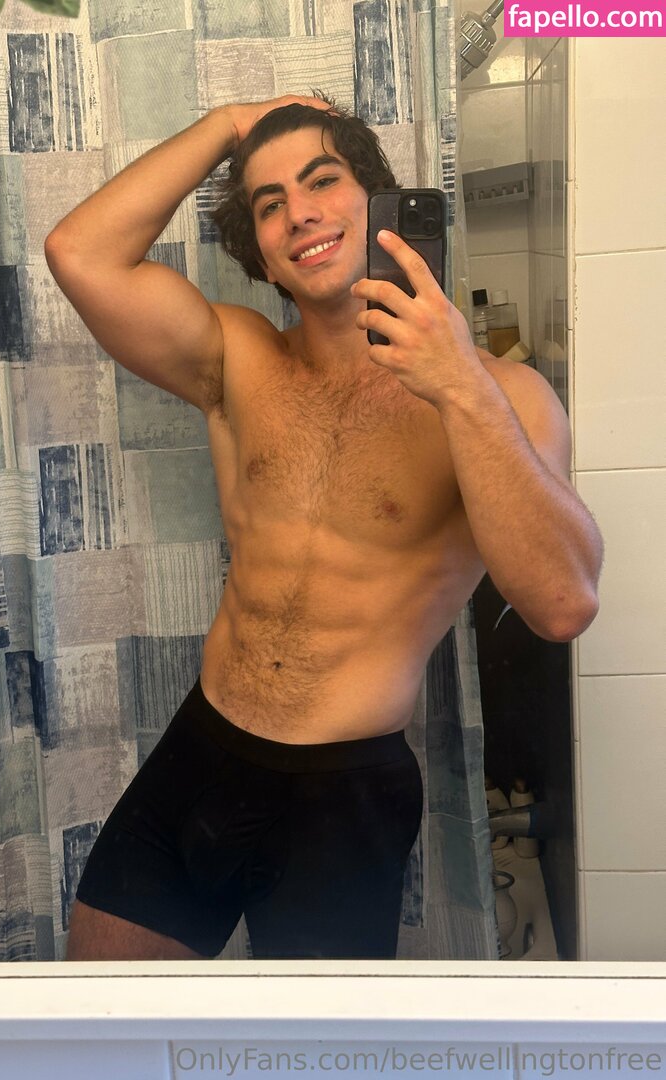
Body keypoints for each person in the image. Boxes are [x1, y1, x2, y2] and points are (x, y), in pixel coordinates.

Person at [44, 92, 603, 961]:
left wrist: (458, 384)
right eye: (270, 203)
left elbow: (563, 604)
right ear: (260, 248)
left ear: (378, 201)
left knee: (308, 1035)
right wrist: (230, 124)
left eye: (321, 181)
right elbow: (78, 252)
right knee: (96, 1011)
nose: (299, 212)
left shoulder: (500, 395)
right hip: (204, 751)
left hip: (345, 794)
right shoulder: (236, 358)